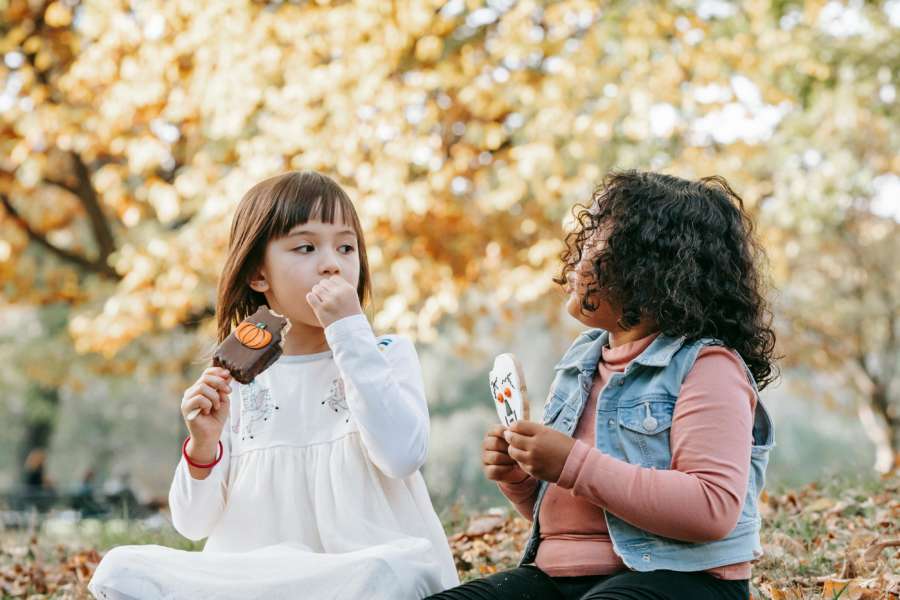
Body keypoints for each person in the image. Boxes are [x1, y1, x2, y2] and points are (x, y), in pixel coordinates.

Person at [89, 171, 458, 599]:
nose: (332, 263)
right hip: (257, 577)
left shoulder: (385, 355)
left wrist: (349, 332)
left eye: (346, 246)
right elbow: (192, 524)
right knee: (120, 570)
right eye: (306, 247)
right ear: (258, 276)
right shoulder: (237, 379)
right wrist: (202, 447)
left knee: (391, 572)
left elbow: (402, 456)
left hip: (353, 572)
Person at [429, 170, 777, 600]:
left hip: (679, 580)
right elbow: (575, 514)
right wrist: (523, 479)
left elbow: (712, 507)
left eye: (597, 248)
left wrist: (570, 463)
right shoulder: (581, 362)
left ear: (655, 274)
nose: (578, 259)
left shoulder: (706, 367)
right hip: (557, 580)